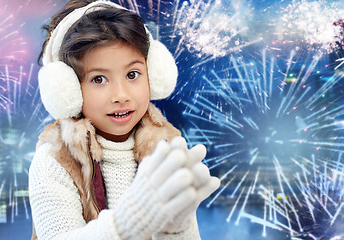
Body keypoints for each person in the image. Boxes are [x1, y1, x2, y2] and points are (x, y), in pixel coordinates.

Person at [28, 0, 220, 239]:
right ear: (68, 91)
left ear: (153, 73)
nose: (121, 95)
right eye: (99, 79)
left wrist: (177, 228)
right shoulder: (55, 157)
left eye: (132, 74)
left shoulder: (165, 148)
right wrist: (126, 223)